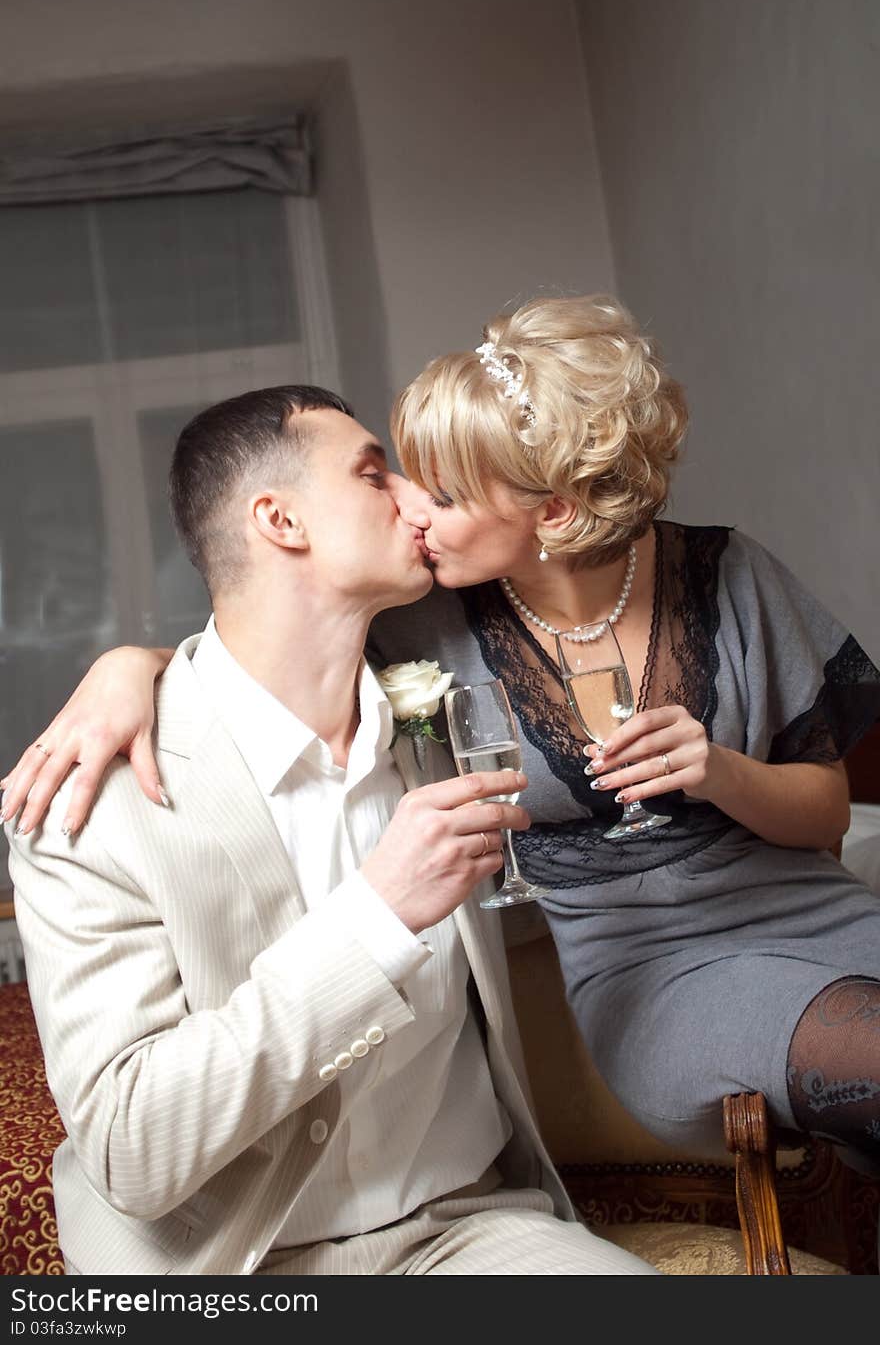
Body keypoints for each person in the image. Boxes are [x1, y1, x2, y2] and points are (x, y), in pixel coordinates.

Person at [6, 296, 880, 1180]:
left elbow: (828, 814)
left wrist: (720, 771)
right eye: (398, 476)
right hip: (654, 972)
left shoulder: (723, 574)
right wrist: (126, 664)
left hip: (819, 912)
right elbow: (264, 637)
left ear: (555, 513)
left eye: (443, 490)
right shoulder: (423, 624)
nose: (412, 509)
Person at [2, 383, 655, 1276]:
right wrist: (375, 919)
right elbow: (130, 1153)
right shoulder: (89, 800)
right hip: (232, 1268)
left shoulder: (449, 711)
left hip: (468, 1232)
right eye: (372, 470)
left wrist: (131, 659)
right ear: (280, 521)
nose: (413, 497)